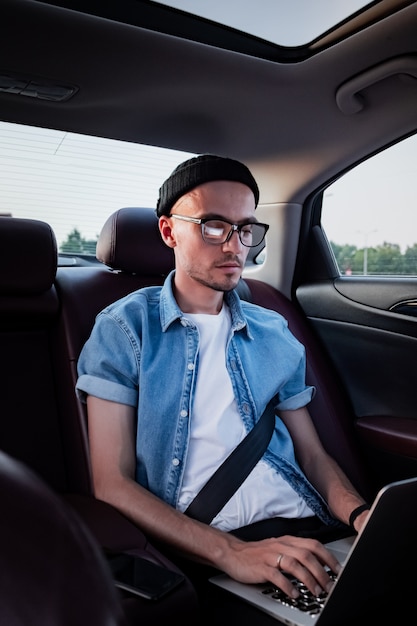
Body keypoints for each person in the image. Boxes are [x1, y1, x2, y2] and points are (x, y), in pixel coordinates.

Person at [76, 154, 370, 605]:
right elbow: (111, 483)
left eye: (246, 228)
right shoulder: (124, 329)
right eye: (214, 226)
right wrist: (232, 554)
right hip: (217, 552)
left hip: (315, 536)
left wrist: (360, 516)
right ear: (169, 231)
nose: (236, 246)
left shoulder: (273, 329)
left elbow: (312, 455)